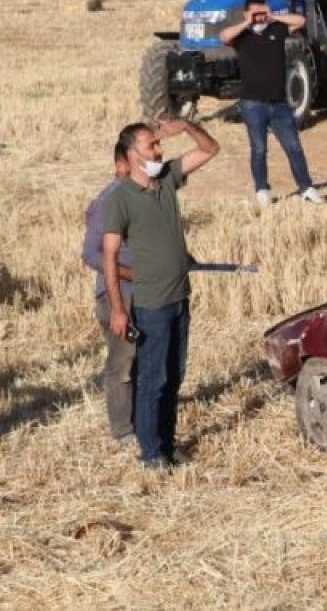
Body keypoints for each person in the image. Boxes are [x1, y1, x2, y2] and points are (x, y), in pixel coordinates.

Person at [103, 119, 219, 469]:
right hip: (151, 305)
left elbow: (210, 149)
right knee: (153, 379)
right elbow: (108, 256)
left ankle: (166, 445)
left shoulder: (167, 177)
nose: (159, 149)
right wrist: (118, 309)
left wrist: (185, 125)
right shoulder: (120, 199)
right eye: (151, 145)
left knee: (175, 375)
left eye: (158, 143)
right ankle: (151, 453)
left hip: (179, 298)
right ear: (132, 154)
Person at [219, 0, 326, 206]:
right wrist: (247, 22)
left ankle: (306, 187)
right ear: (247, 13)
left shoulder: (276, 30)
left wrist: (273, 16)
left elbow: (301, 21)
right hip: (253, 104)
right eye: (255, 13)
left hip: (279, 104)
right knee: (259, 149)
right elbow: (224, 36)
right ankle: (262, 190)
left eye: (262, 12)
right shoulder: (242, 37)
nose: (260, 17)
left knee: (294, 147)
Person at [81, 140, 137, 445]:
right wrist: (131, 275)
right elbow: (91, 254)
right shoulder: (107, 202)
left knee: (144, 362)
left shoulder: (144, 196)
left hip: (144, 294)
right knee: (123, 364)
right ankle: (123, 428)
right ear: (120, 165)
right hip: (119, 296)